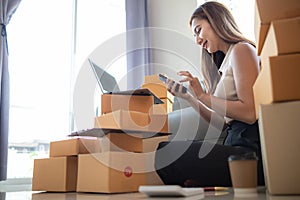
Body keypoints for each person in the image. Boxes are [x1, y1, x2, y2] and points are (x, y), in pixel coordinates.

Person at [155, 1, 265, 187]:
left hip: (248, 152)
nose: (197, 40)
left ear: (215, 21)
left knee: (165, 153)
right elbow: (221, 123)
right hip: (234, 143)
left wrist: (204, 96)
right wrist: (190, 97)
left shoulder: (241, 49)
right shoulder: (227, 61)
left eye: (198, 30)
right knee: (165, 154)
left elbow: (250, 112)